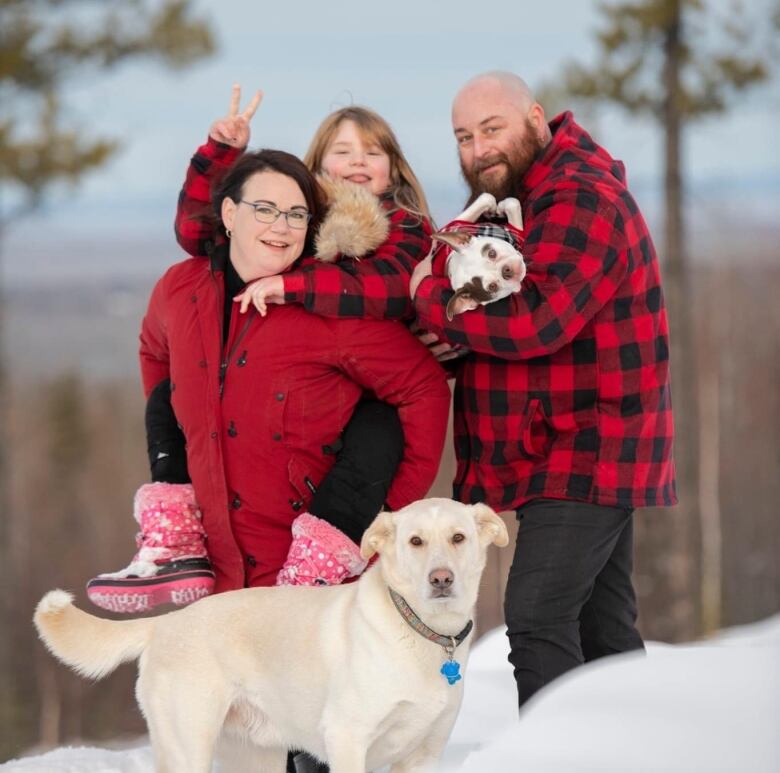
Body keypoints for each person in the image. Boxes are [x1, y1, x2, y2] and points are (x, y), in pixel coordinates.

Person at [87, 89, 450, 612]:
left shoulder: (335, 300)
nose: (281, 226)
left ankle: (317, 565)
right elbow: (155, 349)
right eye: (265, 210)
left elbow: (422, 385)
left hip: (311, 585)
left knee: (378, 427)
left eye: (296, 216)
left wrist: (389, 518)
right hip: (217, 580)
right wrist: (191, 431)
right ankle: (172, 543)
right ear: (229, 214)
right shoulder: (180, 289)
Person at [410, 71, 677, 710]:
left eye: (492, 129)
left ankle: (561, 753)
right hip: (563, 442)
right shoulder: (528, 205)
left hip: (590, 443)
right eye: (464, 138)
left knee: (536, 616)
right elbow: (510, 313)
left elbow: (538, 320)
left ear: (534, 118)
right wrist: (459, 338)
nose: (478, 150)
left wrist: (431, 297)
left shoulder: (581, 199)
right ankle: (639, 750)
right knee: (601, 627)